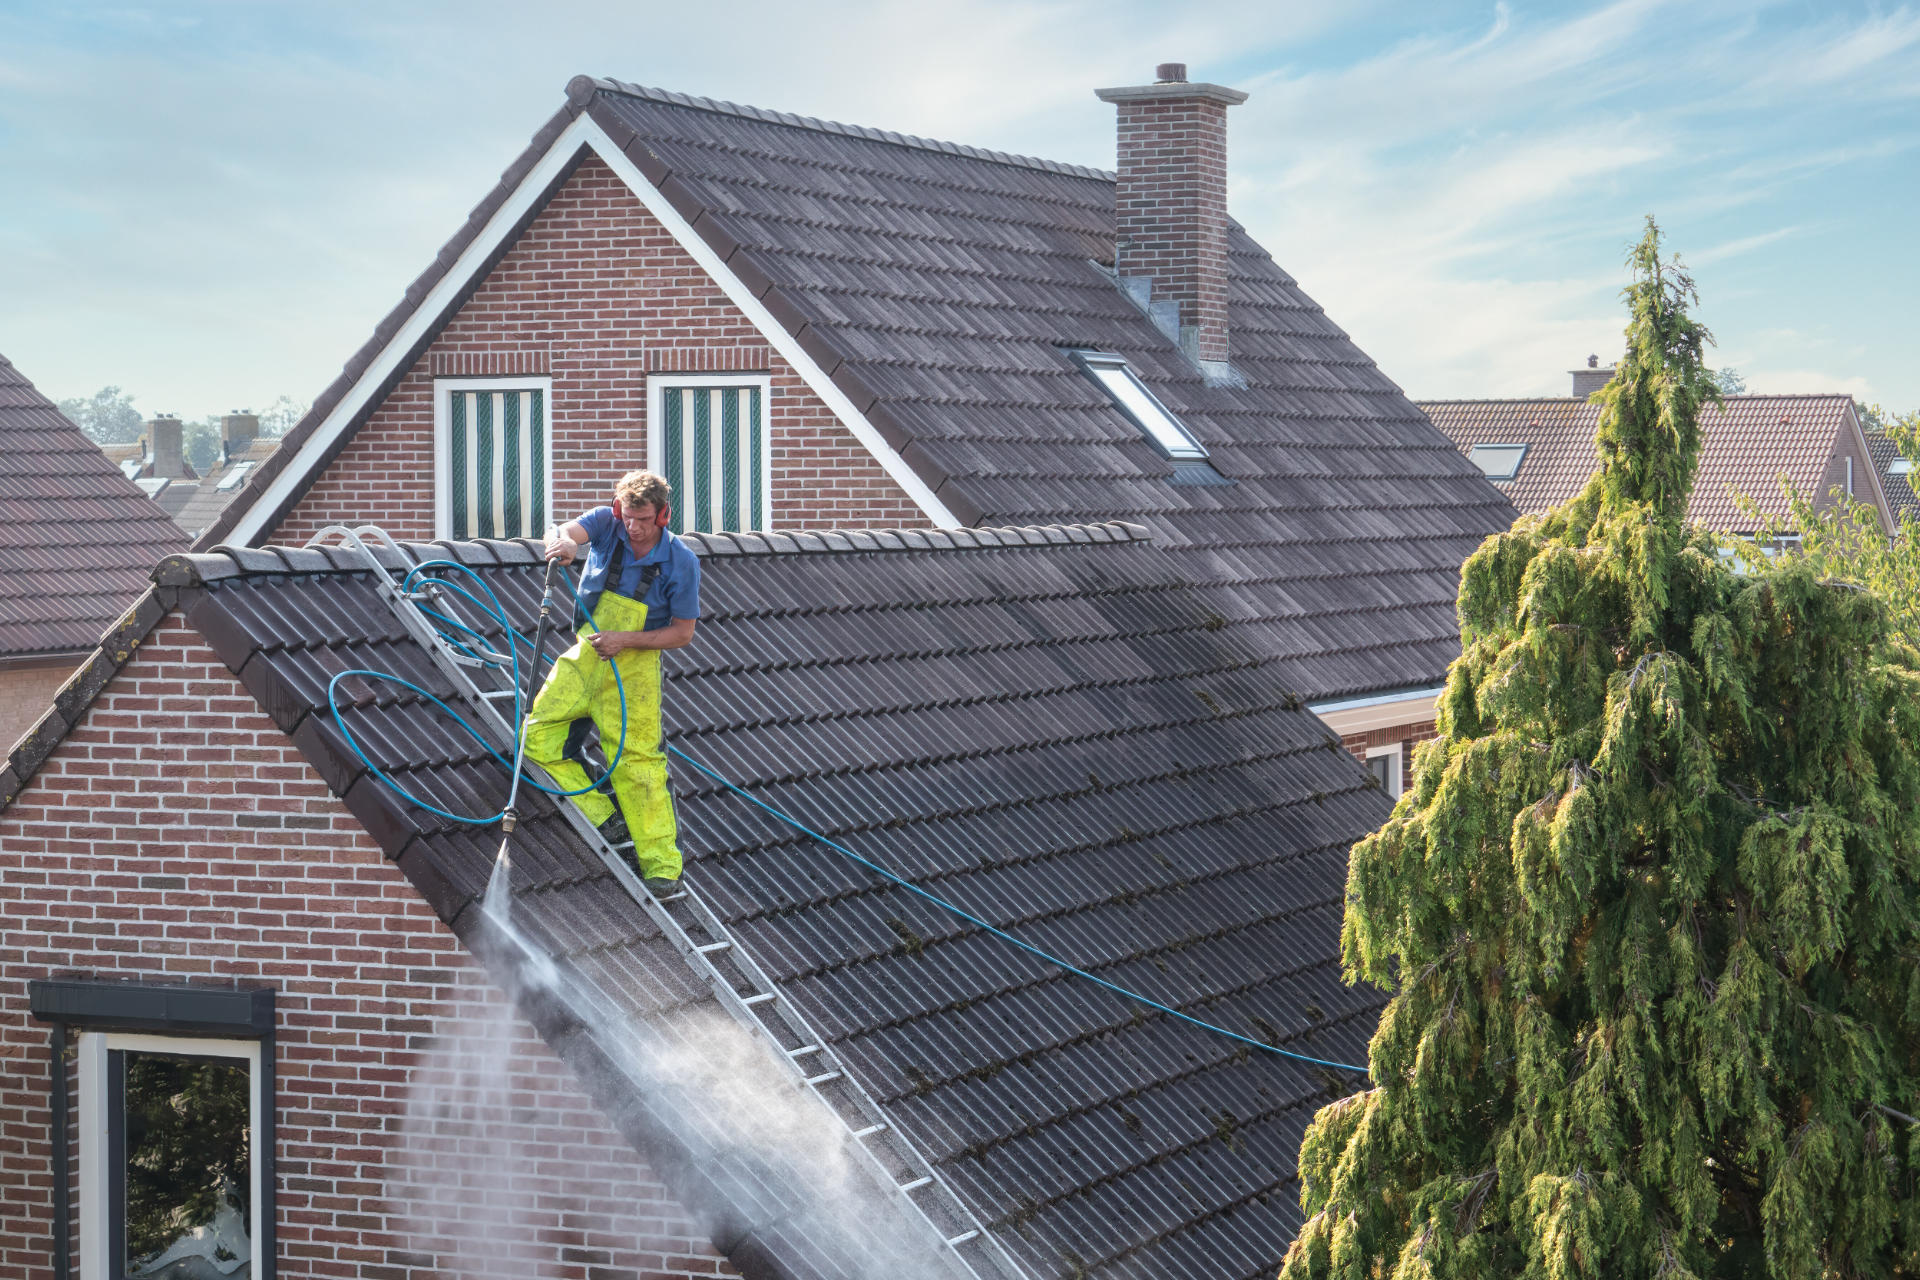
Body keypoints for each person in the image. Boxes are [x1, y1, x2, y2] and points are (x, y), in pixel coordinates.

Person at [525, 471, 700, 894]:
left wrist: (626, 640)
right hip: (586, 655)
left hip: (635, 669)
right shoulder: (607, 521)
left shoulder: (682, 563)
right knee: (536, 737)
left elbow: (682, 633)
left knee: (638, 763)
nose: (633, 528)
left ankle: (661, 865)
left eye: (643, 519)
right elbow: (564, 531)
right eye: (628, 518)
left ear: (663, 515)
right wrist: (564, 543)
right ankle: (606, 815)